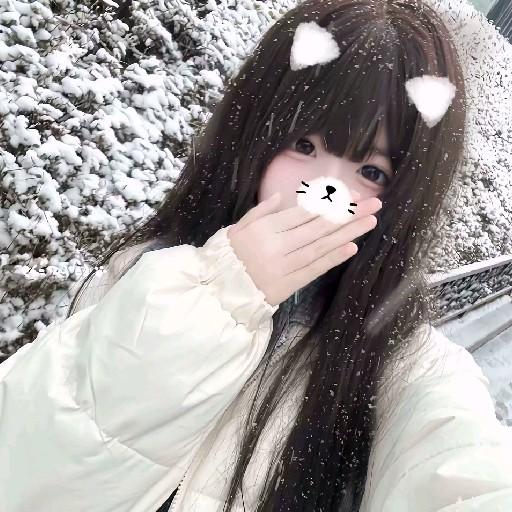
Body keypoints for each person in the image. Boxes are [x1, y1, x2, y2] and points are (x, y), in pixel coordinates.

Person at [1, 0, 512, 511]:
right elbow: (27, 461)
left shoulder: (402, 368)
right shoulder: (141, 276)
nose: (324, 191)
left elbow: (460, 473)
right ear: (252, 135)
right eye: (305, 146)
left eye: (372, 172)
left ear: (405, 200)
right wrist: (219, 294)